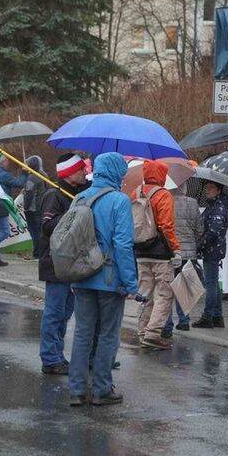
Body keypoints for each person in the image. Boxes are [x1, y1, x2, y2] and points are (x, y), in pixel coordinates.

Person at [68, 152, 137, 406]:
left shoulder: (79, 198)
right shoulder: (120, 201)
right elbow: (123, 245)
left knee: (82, 334)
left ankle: (76, 390)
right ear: (117, 172)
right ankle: (101, 389)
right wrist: (130, 283)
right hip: (109, 278)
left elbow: (71, 240)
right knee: (108, 334)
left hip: (81, 275)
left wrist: (72, 278)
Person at [37, 153, 90, 375]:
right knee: (54, 313)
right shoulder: (54, 195)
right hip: (55, 263)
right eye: (80, 170)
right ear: (69, 173)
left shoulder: (78, 193)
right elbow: (47, 226)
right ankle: (50, 358)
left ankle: (57, 355)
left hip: (71, 264)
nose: (85, 172)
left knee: (66, 312)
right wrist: (73, 214)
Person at [135, 160, 181, 350]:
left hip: (140, 250)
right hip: (160, 253)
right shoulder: (163, 195)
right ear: (162, 175)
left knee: (145, 294)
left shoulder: (136, 193)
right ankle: (153, 334)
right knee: (164, 293)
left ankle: (142, 331)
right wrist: (175, 249)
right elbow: (166, 226)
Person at [164, 185, 204, 336]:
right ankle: (184, 321)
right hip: (188, 252)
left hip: (171, 252)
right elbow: (200, 229)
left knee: (167, 289)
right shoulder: (192, 203)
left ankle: (167, 325)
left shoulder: (166, 201)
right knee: (183, 288)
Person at [193, 182, 228, 328]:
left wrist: (200, 245)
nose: (207, 190)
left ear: (219, 190)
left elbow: (213, 232)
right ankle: (217, 315)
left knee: (210, 284)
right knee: (214, 283)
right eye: (206, 188)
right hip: (213, 249)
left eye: (211, 188)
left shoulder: (219, 208)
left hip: (212, 250)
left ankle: (208, 316)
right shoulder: (214, 205)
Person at [22, 155, 48, 259]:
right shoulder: (44, 175)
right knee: (40, 231)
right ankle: (43, 252)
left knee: (34, 232)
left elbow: (29, 193)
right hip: (41, 206)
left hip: (32, 209)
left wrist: (26, 206)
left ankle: (37, 253)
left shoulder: (32, 177)